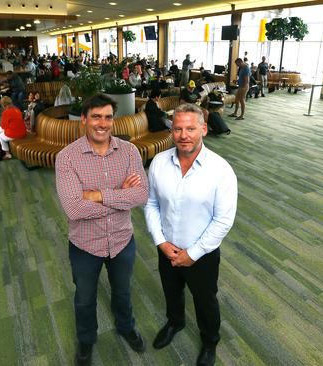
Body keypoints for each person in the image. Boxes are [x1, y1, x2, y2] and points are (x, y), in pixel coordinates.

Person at [55, 94, 148, 366]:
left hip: (122, 240)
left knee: (122, 291)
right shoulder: (67, 158)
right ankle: (86, 340)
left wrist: (96, 196)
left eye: (108, 117)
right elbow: (74, 209)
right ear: (83, 119)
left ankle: (125, 326)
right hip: (85, 245)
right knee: (85, 298)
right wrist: (119, 195)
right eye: (96, 116)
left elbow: (141, 194)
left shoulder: (129, 152)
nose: (102, 123)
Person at [144, 103, 237, 366]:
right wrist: (161, 242)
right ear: (171, 131)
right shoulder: (160, 163)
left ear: (204, 130)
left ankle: (210, 341)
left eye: (191, 129)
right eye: (178, 128)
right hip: (167, 249)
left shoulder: (221, 170)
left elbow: (223, 221)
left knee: (205, 301)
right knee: (171, 292)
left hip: (202, 254)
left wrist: (192, 254)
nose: (184, 135)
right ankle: (175, 323)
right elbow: (151, 204)